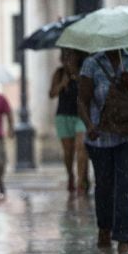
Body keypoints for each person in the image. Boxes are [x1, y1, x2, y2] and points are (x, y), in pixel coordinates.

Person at [78, 49, 128, 254]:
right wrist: (88, 125)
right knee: (104, 185)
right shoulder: (91, 64)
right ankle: (104, 228)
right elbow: (82, 100)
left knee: (126, 184)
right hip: (101, 137)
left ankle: (124, 238)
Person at [49, 48, 89, 193]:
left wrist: (77, 78)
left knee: (81, 147)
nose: (69, 58)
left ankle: (81, 180)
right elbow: (51, 94)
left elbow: (88, 91)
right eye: (66, 55)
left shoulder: (84, 72)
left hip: (81, 115)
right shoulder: (59, 73)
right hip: (63, 115)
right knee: (68, 152)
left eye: (71, 55)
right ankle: (70, 175)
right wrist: (62, 84)